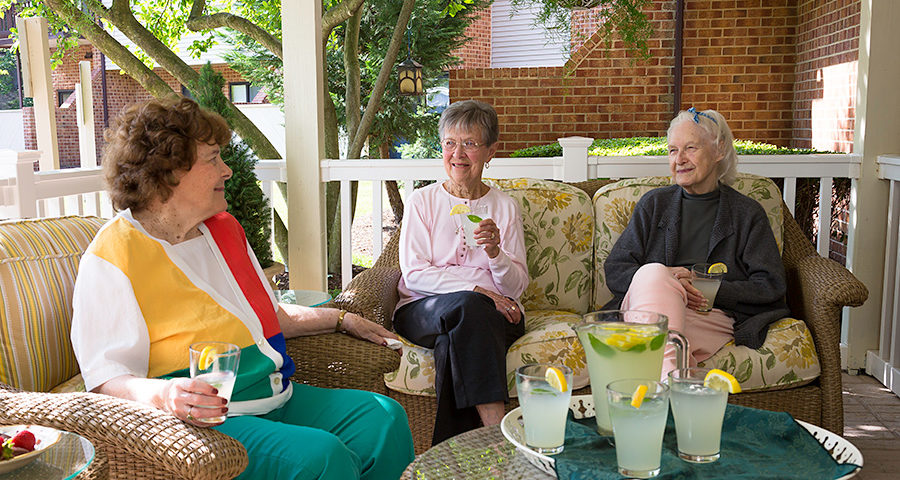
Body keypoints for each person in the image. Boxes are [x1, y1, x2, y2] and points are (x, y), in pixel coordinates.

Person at [70, 97, 414, 480]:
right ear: (169, 170)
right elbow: (105, 379)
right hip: (205, 421)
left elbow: (271, 317)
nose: (227, 171)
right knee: (319, 457)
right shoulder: (114, 255)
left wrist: (341, 318)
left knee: (384, 420)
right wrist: (164, 396)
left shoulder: (224, 230)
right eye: (213, 158)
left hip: (277, 396)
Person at [603, 107, 790, 377]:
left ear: (719, 150)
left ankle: (667, 390)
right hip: (649, 303)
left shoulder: (747, 213)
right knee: (654, 273)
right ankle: (676, 386)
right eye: (672, 150)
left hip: (708, 315)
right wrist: (667, 279)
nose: (679, 159)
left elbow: (770, 286)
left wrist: (704, 288)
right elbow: (616, 269)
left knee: (648, 338)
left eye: (690, 148)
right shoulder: (654, 204)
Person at [393, 99, 529, 444]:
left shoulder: (504, 207)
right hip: (423, 310)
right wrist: (479, 290)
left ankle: (455, 459)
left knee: (454, 340)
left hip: (493, 318)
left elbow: (515, 288)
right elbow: (414, 274)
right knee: (470, 308)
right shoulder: (422, 201)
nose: (458, 153)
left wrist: (496, 254)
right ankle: (498, 434)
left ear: (490, 151)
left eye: (469, 143)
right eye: (450, 143)